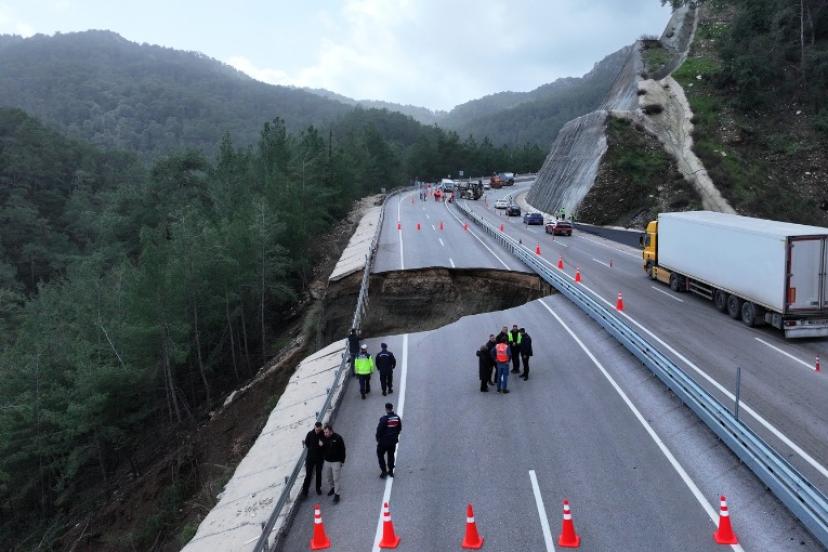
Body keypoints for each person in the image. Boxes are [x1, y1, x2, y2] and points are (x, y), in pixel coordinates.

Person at [376, 402, 402, 478]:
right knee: (391, 455)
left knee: (380, 455)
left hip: (383, 442)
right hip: (392, 441)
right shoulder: (397, 418)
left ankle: (384, 471)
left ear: (386, 409)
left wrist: (378, 439)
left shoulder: (384, 419)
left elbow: (379, 430)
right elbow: (399, 429)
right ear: (392, 408)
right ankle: (391, 471)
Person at [300, 422, 325, 498]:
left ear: (321, 428)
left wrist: (322, 444)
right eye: (316, 429)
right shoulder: (310, 434)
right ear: (314, 427)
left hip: (319, 458)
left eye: (319, 430)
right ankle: (305, 492)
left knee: (318, 473)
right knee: (308, 475)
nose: (317, 431)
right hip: (310, 458)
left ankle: (318, 488)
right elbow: (307, 444)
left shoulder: (323, 434)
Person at [322, 424, 346, 503]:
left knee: (336, 479)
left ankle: (337, 495)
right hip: (327, 461)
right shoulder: (324, 438)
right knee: (329, 477)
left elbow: (343, 450)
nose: (325, 434)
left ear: (331, 431)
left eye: (327, 432)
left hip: (336, 462)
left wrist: (342, 461)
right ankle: (332, 488)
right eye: (324, 432)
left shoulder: (338, 438)